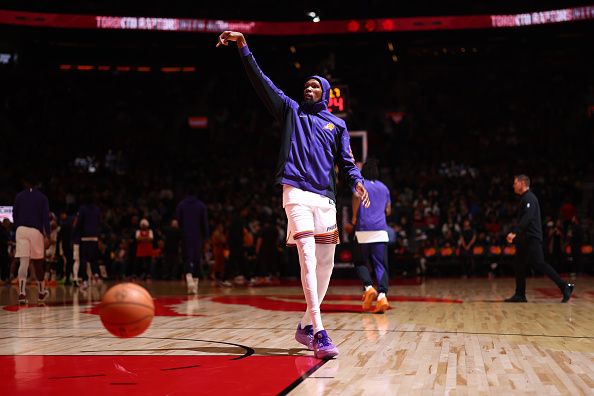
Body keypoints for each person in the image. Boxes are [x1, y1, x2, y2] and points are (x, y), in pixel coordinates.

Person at [217, 31, 370, 359]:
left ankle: (303, 325)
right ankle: (319, 332)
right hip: (297, 193)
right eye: (306, 85)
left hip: (326, 199)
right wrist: (244, 47)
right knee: (308, 258)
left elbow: (347, 162)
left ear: (325, 93)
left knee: (326, 265)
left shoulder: (337, 126)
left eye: (315, 86)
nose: (309, 88)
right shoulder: (290, 111)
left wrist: (357, 180)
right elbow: (261, 82)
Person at [505, 175, 574, 303]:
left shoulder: (529, 198)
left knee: (539, 263)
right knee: (519, 265)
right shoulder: (524, 198)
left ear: (522, 183)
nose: (513, 185)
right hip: (524, 239)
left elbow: (528, 217)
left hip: (532, 238)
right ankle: (520, 294)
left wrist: (515, 232)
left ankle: (565, 286)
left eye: (515, 183)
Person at [351, 159, 391, 314]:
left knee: (360, 261)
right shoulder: (384, 188)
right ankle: (382, 296)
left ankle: (368, 287)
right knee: (381, 265)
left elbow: (355, 197)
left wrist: (354, 216)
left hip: (364, 229)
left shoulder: (361, 185)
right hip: (380, 231)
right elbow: (388, 210)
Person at [13, 178, 51, 304]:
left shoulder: (19, 196)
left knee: (23, 261)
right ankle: (41, 292)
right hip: (36, 230)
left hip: (21, 229)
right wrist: (48, 235)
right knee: (37, 263)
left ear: (25, 183)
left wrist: (18, 227)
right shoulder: (42, 197)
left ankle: (22, 293)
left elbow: (14, 215)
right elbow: (46, 217)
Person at [176, 186, 209, 294]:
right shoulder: (201, 206)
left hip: (185, 235)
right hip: (198, 236)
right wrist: (206, 237)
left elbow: (179, 222)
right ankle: (195, 285)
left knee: (187, 259)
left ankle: (189, 280)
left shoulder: (181, 205)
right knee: (196, 259)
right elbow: (204, 223)